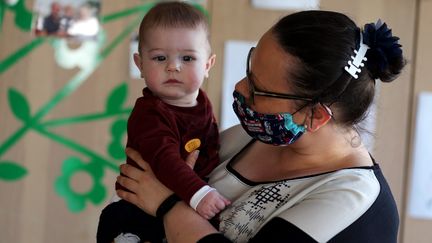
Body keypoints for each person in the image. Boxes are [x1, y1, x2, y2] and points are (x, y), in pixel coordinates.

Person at [116, 10, 406, 243]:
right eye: (249, 71)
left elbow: (158, 194)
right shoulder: (255, 136)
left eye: (259, 89)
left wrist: (167, 205)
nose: (240, 87)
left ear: (315, 116)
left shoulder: (353, 201)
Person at [97, 2, 230, 242]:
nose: (173, 66)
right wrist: (200, 193)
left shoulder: (203, 104)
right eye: (159, 58)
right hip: (134, 209)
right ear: (140, 65)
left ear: (208, 65)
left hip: (180, 200)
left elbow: (210, 148)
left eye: (187, 58)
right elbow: (164, 160)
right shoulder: (150, 114)